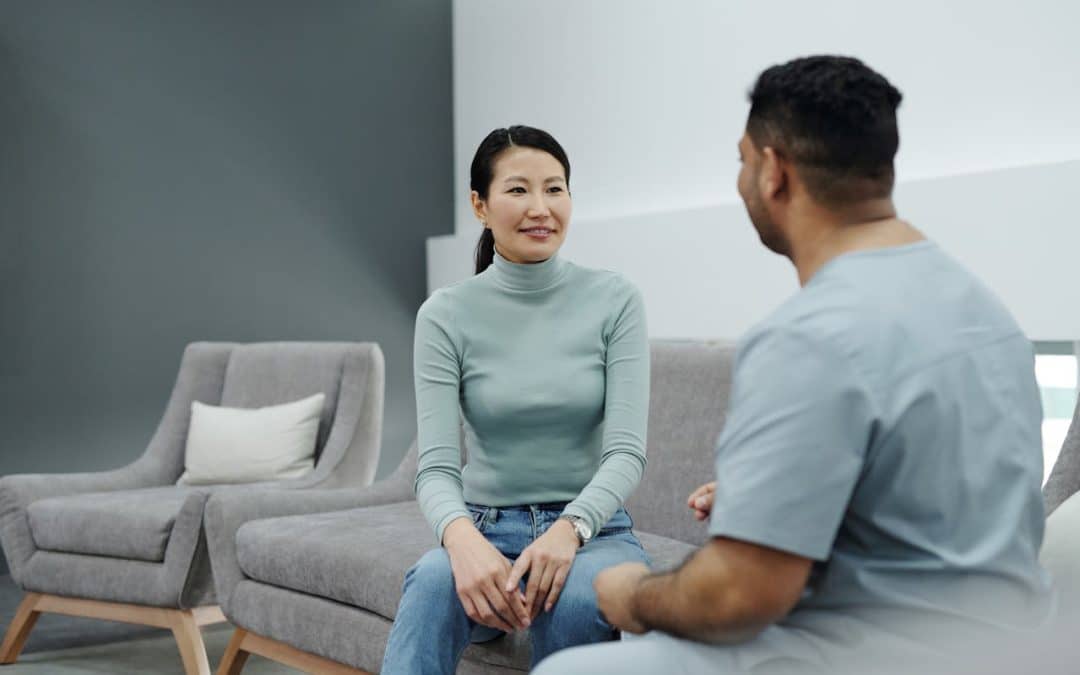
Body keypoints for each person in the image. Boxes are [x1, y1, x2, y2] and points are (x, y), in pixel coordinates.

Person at [534, 55, 1054, 674]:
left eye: (741, 160)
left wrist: (631, 595)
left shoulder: (807, 336)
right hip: (1014, 647)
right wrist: (777, 493)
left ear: (773, 170)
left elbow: (737, 596)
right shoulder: (986, 311)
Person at [380, 125, 652, 674]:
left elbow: (626, 453)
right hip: (485, 529)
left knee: (577, 599)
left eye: (555, 189)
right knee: (432, 582)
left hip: (592, 532)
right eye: (518, 190)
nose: (540, 208)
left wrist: (569, 529)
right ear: (480, 205)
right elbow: (434, 467)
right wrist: (460, 541)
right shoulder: (444, 314)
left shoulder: (614, 299)